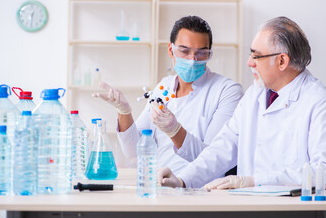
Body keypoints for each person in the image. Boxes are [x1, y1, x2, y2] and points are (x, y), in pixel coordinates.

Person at [158, 16, 326, 188]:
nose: (249, 62)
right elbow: (222, 147)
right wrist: (183, 180)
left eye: (256, 56)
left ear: (282, 61)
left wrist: (254, 181)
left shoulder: (322, 104)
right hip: (248, 206)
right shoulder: (254, 95)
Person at [93, 15, 243, 175]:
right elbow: (133, 151)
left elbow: (214, 159)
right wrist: (124, 112)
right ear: (171, 50)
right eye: (185, 51)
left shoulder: (227, 91)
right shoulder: (164, 86)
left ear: (209, 53)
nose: (193, 60)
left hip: (200, 191)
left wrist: (174, 131)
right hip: (159, 184)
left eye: (201, 53)